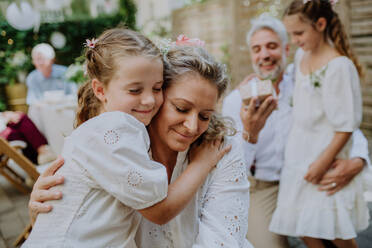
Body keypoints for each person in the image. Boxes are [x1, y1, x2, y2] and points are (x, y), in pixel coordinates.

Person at [27, 35, 252, 247]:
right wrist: (43, 209)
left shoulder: (219, 148)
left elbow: (222, 240)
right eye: (181, 108)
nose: (193, 126)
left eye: (205, 116)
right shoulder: (119, 145)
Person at [222, 14, 371, 248]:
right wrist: (251, 133)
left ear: (286, 48)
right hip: (263, 187)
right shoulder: (236, 103)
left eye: (272, 46)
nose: (265, 55)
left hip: (308, 175)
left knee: (335, 231)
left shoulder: (305, 83)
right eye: (257, 49)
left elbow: (345, 125)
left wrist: (359, 161)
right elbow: (232, 167)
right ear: (251, 55)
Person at [268, 1, 370, 247]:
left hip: (323, 160)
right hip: (298, 158)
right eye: (290, 34)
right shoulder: (303, 56)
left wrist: (322, 163)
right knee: (306, 228)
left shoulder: (338, 67)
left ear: (321, 25)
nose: (293, 41)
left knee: (335, 230)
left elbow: (346, 126)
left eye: (299, 33)